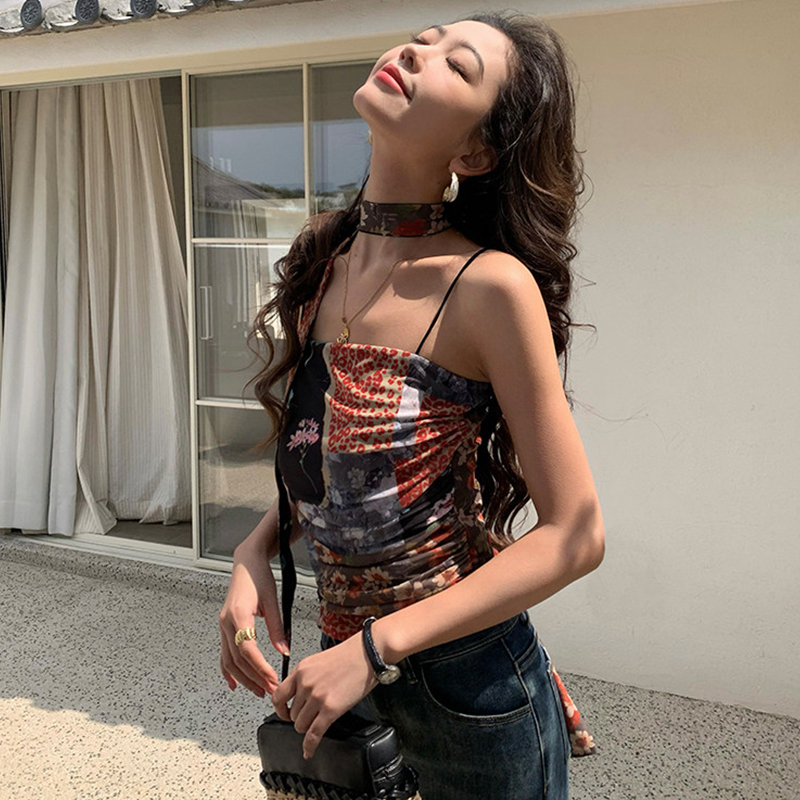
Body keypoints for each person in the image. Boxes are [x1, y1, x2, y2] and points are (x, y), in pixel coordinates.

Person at [219, 11, 604, 799]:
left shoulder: (488, 287)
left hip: (469, 688)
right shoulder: (322, 262)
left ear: (476, 151)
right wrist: (254, 551)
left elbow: (577, 534)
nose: (416, 53)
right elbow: (333, 461)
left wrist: (373, 651)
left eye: (458, 66)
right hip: (342, 674)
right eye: (424, 39)